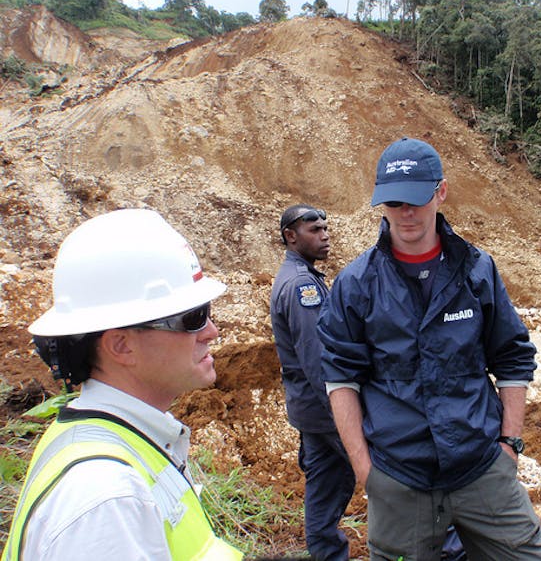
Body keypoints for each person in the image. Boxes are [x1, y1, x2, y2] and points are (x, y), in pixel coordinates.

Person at [317, 138, 541, 561]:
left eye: (416, 199)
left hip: (481, 466)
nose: (405, 213)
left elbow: (513, 357)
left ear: (440, 192)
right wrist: (366, 472)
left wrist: (509, 445)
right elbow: (340, 379)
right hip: (399, 476)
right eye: (393, 203)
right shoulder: (357, 284)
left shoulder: (476, 270)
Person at [2, 209, 243, 561]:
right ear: (121, 346)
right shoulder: (105, 499)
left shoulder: (122, 446)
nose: (212, 331)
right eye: (193, 318)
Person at [270, 205, 355, 561]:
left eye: (326, 228)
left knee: (326, 483)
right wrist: (345, 414)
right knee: (390, 473)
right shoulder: (302, 285)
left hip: (309, 410)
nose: (325, 235)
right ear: (291, 237)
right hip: (325, 410)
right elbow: (318, 358)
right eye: (315, 230)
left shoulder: (299, 276)